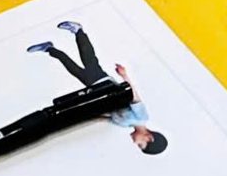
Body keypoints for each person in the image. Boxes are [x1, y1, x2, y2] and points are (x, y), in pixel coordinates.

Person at [26, 20, 168, 153]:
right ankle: (77, 32)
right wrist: (124, 76)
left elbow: (101, 117)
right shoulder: (142, 117)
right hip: (106, 86)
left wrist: (80, 116)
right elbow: (134, 96)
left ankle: (51, 47)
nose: (135, 143)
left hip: (95, 93)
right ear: (149, 137)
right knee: (88, 60)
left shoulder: (123, 124)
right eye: (140, 144)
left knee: (76, 69)